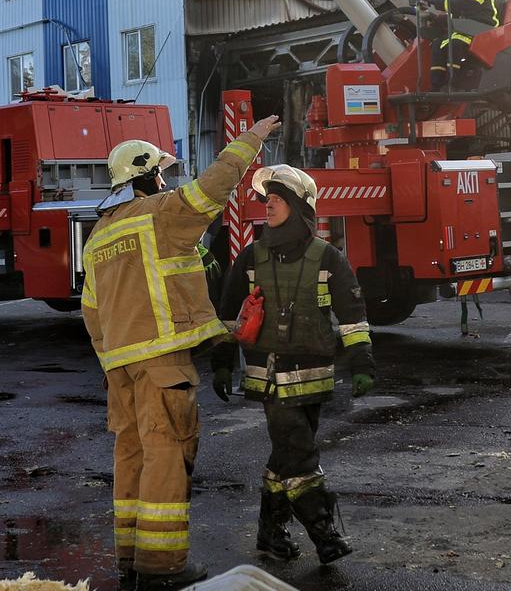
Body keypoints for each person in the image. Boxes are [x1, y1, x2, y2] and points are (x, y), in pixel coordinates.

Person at [84, 117, 279, 591]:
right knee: (167, 456)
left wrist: (114, 362)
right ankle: (162, 566)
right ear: (147, 176)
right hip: (162, 364)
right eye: (161, 173)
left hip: (119, 368)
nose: (166, 180)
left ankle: (130, 558)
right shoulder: (161, 212)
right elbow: (214, 185)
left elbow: (91, 313)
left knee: (129, 456)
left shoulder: (98, 237)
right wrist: (251, 139)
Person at [211, 165, 376, 567]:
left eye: (277, 200)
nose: (267, 206)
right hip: (269, 377)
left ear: (299, 207)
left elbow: (352, 315)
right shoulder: (250, 257)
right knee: (300, 454)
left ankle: (271, 535)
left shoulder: (329, 258)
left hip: (314, 376)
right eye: (266, 199)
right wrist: (220, 363)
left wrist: (362, 362)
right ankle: (325, 535)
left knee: (285, 456)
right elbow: (227, 315)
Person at [427, 0, 499, 91]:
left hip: (482, 29)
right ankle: (436, 85)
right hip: (469, 27)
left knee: (455, 43)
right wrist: (437, 19)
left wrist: (434, 2)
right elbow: (460, 12)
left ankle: (452, 84)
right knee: (438, 44)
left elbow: (460, 4)